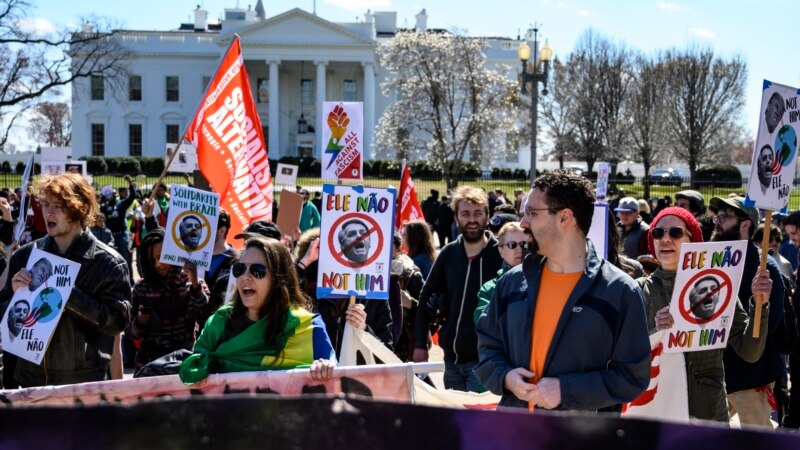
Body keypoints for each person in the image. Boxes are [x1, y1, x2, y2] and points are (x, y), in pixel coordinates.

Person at [475, 169, 650, 410]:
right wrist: (505, 377)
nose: (523, 223)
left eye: (532, 213)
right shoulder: (512, 282)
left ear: (565, 218)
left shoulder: (620, 291)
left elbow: (632, 378)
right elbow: (487, 347)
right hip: (512, 434)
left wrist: (566, 390)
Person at [0, 173, 131, 387]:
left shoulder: (109, 264)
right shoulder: (24, 257)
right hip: (32, 384)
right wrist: (15, 296)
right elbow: (4, 320)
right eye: (45, 205)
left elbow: (117, 322)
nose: (48, 213)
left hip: (82, 387)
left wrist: (69, 295)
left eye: (58, 206)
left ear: (79, 209)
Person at [640, 206, 768, 421]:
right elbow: (622, 356)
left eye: (675, 232)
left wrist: (760, 304)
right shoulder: (637, 290)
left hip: (707, 411)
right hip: (657, 408)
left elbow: (750, 352)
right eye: (658, 232)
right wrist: (656, 333)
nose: (665, 239)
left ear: (693, 240)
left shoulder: (717, 286)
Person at [178, 237, 336, 384]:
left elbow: (336, 380)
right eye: (240, 269)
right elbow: (195, 369)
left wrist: (325, 369)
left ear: (278, 278)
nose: (245, 277)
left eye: (257, 270)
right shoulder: (218, 322)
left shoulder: (307, 328)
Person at [414, 186, 503, 391]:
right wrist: (420, 344)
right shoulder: (448, 253)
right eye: (465, 214)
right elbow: (426, 296)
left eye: (477, 213)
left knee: (478, 423)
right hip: (451, 361)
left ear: (487, 216)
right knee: (454, 422)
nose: (472, 219)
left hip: (486, 363)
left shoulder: (502, 254)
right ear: (456, 218)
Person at [709, 196, 785, 428]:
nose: (717, 222)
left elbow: (769, 325)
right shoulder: (714, 260)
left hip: (752, 375)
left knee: (757, 440)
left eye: (725, 217)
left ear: (745, 224)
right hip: (716, 372)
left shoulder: (765, 268)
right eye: (716, 216)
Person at [126, 229, 209, 368]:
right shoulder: (141, 289)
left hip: (185, 364)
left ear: (173, 253)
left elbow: (206, 316)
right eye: (152, 260)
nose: (158, 264)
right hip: (150, 366)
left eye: (162, 257)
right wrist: (140, 322)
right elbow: (132, 334)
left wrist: (194, 285)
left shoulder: (192, 283)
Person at [474, 221, 527, 324]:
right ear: (500, 251)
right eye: (512, 245)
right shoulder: (489, 288)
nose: (519, 250)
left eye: (523, 244)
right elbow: (482, 322)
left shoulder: (541, 280)